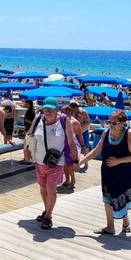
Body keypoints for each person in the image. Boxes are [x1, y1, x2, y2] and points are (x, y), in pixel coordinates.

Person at [79, 110, 131, 234]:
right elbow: (95, 151)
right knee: (107, 198)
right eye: (109, 122)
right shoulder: (106, 133)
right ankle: (110, 226)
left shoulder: (129, 134)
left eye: (114, 123)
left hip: (125, 171)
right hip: (108, 172)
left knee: (121, 197)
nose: (111, 125)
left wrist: (118, 161)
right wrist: (81, 162)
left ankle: (125, 221)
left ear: (123, 123)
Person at [23, 97, 79, 229]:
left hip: (56, 163)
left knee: (51, 188)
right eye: (45, 109)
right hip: (39, 161)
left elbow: (71, 143)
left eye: (51, 110)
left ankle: (48, 216)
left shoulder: (64, 121)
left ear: (57, 110)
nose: (48, 112)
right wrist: (25, 150)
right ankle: (46, 210)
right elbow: (29, 135)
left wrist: (75, 160)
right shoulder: (38, 119)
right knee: (43, 187)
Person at [61, 105, 84, 189]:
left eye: (63, 111)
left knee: (69, 164)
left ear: (68, 111)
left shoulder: (75, 122)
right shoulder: (60, 120)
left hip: (73, 145)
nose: (61, 113)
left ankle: (73, 179)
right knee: (64, 164)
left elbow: (80, 135)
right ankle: (67, 179)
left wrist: (83, 146)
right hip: (63, 145)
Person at [69, 100, 90, 169]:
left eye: (72, 109)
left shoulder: (83, 112)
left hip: (84, 131)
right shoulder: (73, 113)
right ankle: (75, 162)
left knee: (85, 148)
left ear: (76, 107)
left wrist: (81, 128)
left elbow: (88, 123)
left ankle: (86, 163)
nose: (72, 110)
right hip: (76, 132)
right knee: (74, 147)